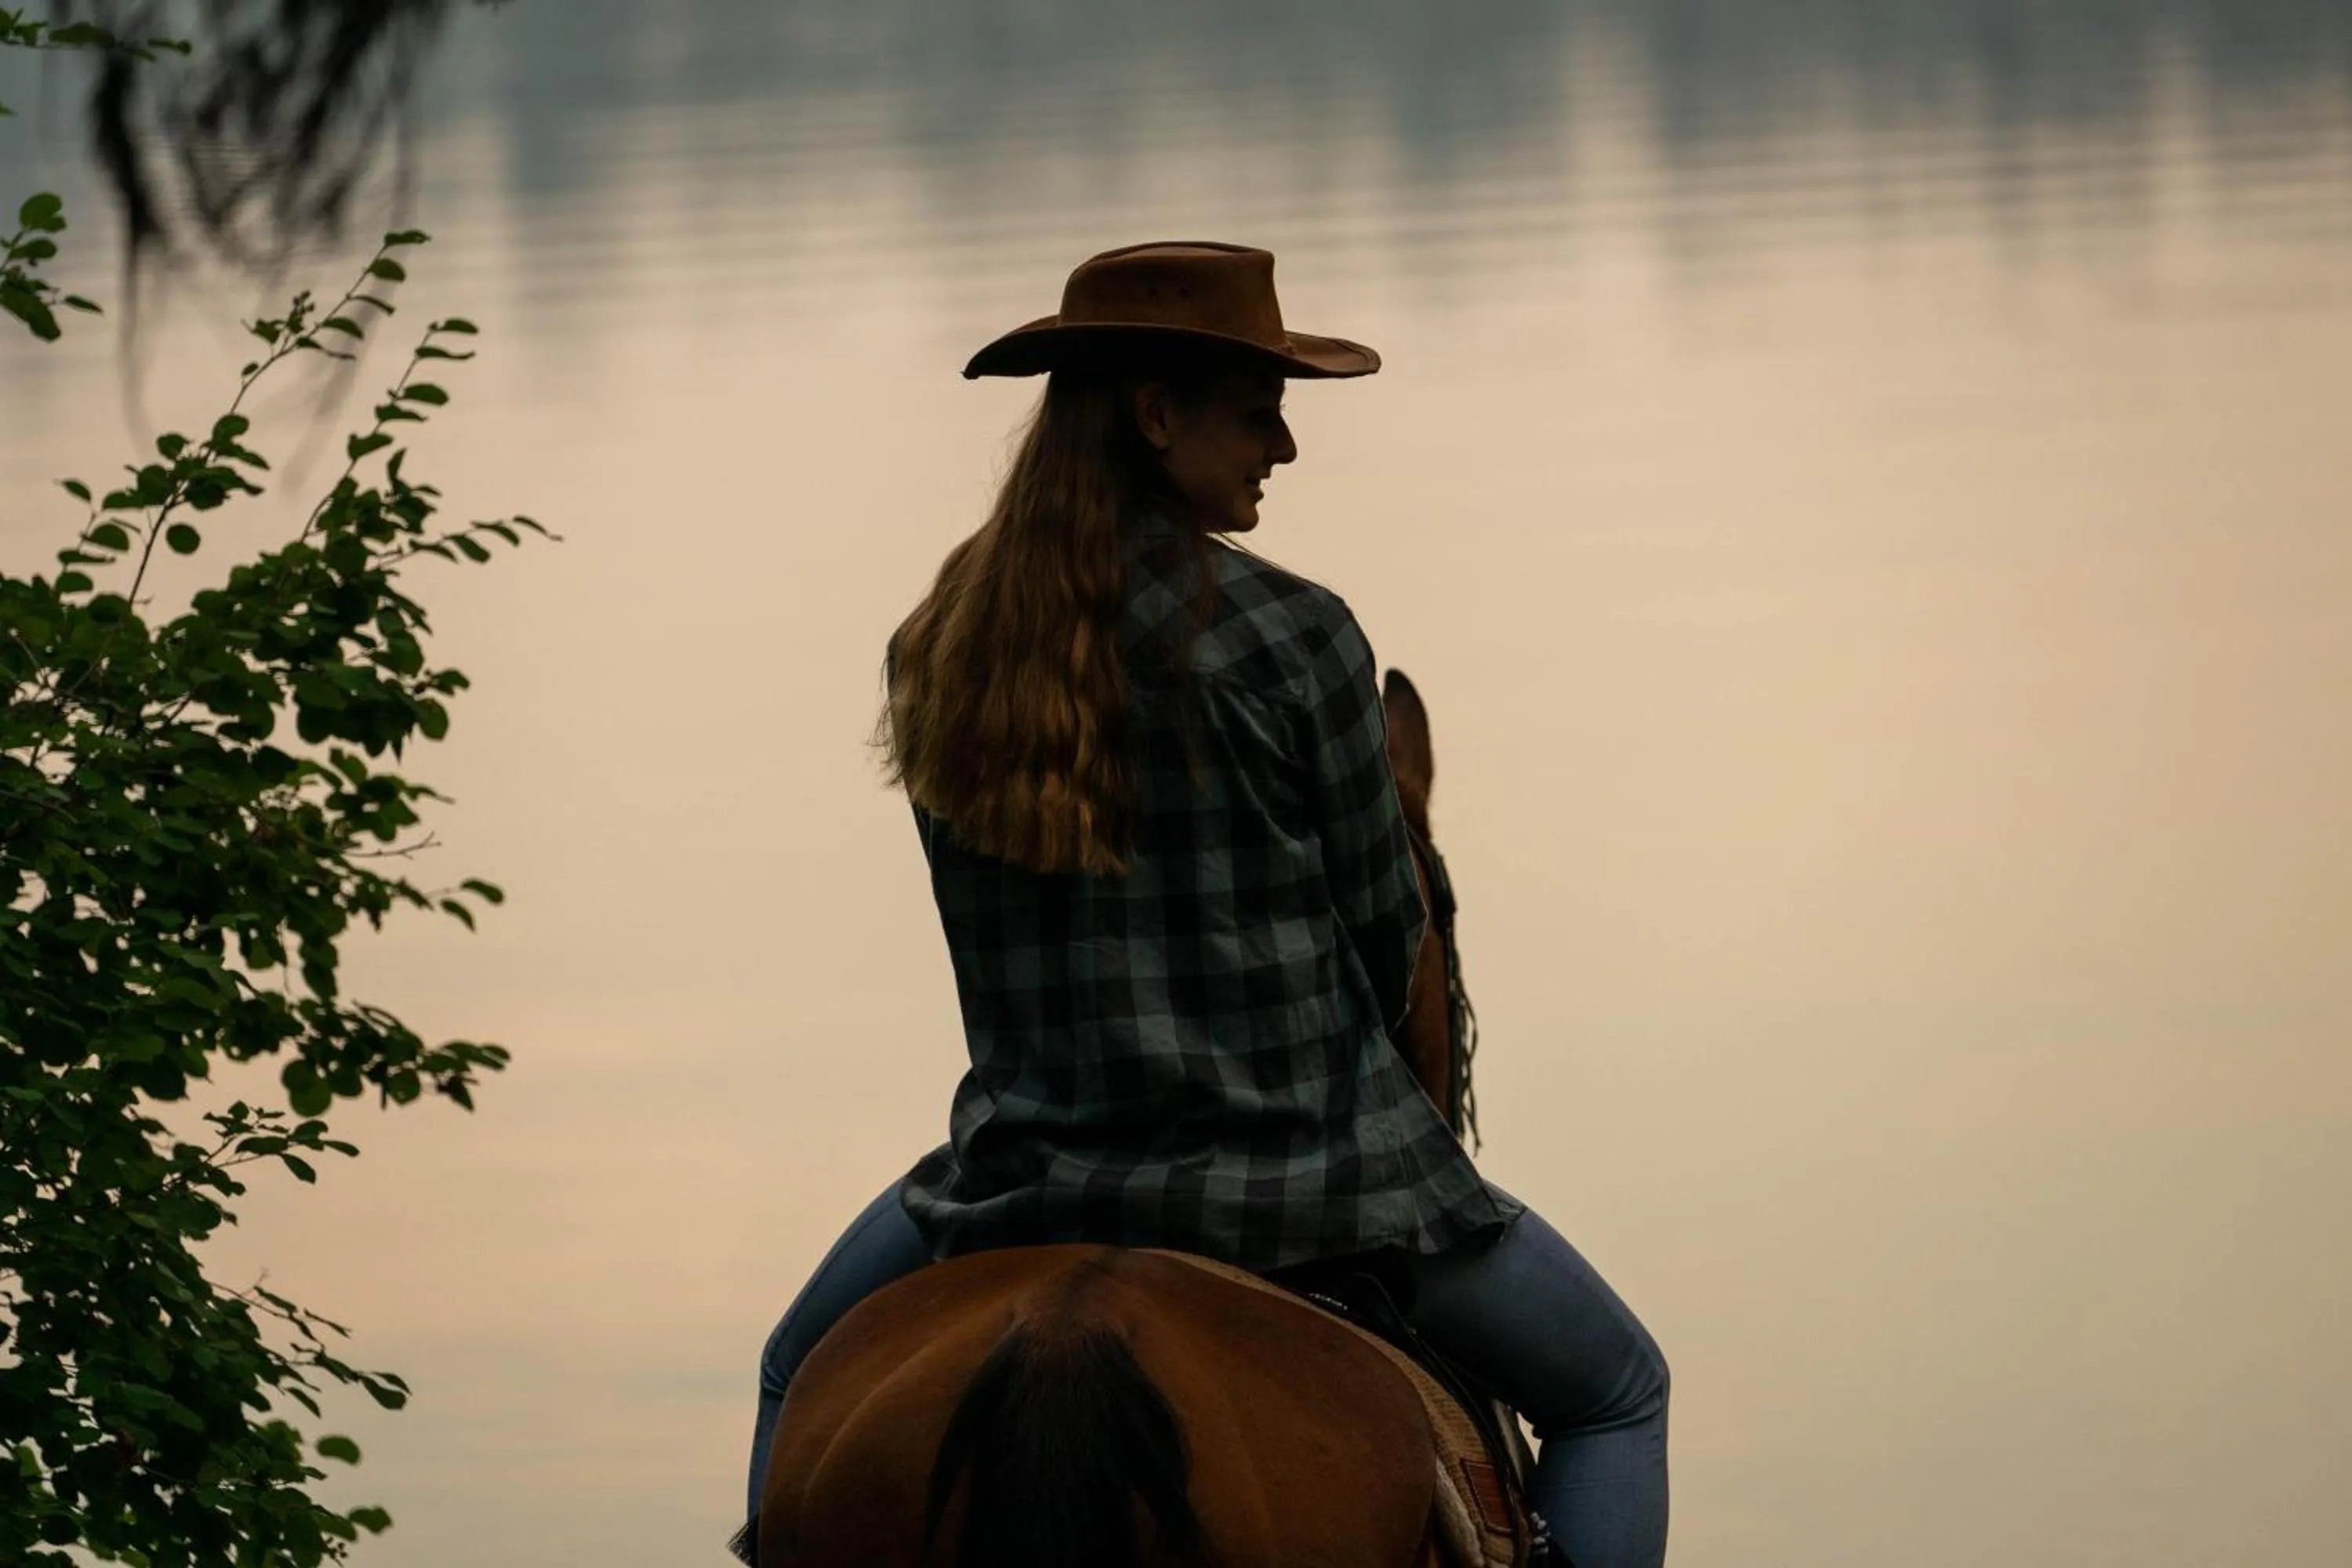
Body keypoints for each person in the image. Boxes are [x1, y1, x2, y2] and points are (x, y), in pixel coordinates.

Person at [746, 241, 1670, 1567]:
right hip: (1313, 1179)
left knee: (797, 1374)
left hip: (1026, 1175)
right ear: (1158, 415)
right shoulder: (1297, 635)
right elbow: (1380, 926)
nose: (1284, 446)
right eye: (1259, 411)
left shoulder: (938, 642)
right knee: (1619, 1395)